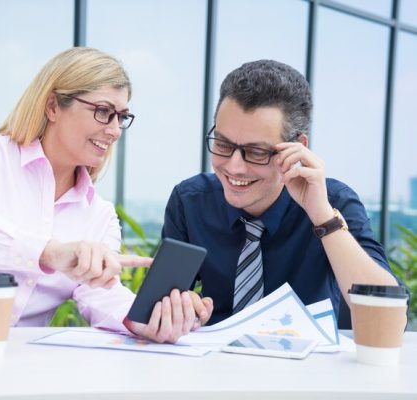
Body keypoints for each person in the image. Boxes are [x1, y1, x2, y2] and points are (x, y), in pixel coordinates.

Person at [0, 47, 212, 342]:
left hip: (20, 352)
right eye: (103, 112)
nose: (115, 130)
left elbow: (100, 293)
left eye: (121, 117)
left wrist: (144, 320)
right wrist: (48, 252)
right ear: (53, 106)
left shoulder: (99, 215)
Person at [162, 59, 400, 325]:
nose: (234, 166)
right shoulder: (190, 201)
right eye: (223, 144)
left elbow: (389, 317)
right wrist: (178, 307)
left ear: (297, 148)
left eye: (257, 152)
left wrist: (322, 217)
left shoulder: (333, 202)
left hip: (306, 363)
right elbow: (161, 304)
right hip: (211, 360)